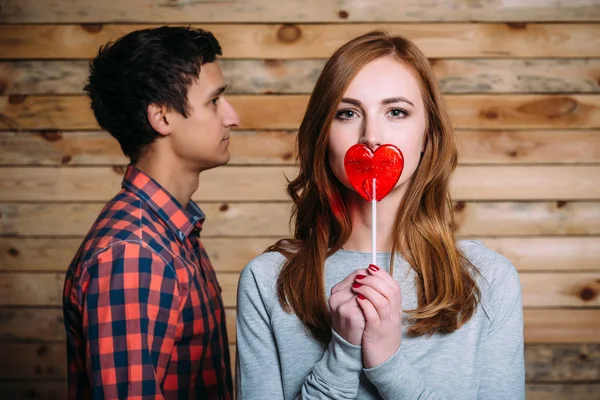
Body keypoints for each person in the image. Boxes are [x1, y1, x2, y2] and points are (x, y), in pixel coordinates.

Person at [235, 30, 524, 399]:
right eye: (348, 113)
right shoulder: (267, 281)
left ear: (427, 136)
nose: (371, 136)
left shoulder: (490, 279)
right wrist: (342, 353)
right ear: (323, 136)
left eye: (396, 112)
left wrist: (388, 364)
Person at [63, 26, 239, 399]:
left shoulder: (173, 231)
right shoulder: (133, 253)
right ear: (161, 118)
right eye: (214, 101)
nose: (232, 117)